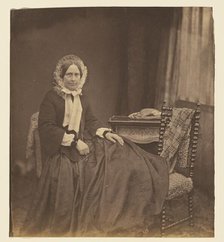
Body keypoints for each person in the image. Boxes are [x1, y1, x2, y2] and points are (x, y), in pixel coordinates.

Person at [22, 54, 169, 236]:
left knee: (122, 157)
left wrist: (106, 133)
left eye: (77, 74)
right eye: (69, 74)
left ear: (81, 76)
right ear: (61, 76)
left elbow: (91, 121)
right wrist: (75, 142)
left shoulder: (82, 97)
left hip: (86, 141)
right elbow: (46, 127)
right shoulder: (51, 97)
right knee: (94, 173)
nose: (74, 79)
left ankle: (128, 207)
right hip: (63, 149)